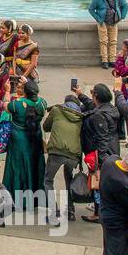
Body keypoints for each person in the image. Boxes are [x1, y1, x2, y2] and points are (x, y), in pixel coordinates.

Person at [42, 93, 84, 223]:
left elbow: (46, 127)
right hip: (73, 153)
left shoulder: (56, 110)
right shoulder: (81, 117)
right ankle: (71, 211)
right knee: (69, 179)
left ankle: (54, 213)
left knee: (48, 180)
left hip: (57, 151)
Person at [3, 78, 46, 199]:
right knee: (34, 165)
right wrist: (28, 84)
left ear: (24, 92)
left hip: (18, 140)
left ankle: (15, 197)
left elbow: (5, 105)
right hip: (35, 139)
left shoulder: (17, 104)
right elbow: (36, 98)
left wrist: (7, 91)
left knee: (17, 167)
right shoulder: (42, 104)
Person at [87, 0, 128, 69]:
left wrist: (122, 16)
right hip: (103, 22)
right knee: (104, 42)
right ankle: (104, 61)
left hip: (114, 22)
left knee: (113, 41)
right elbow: (91, 9)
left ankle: (112, 60)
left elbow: (125, 5)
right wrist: (98, 19)